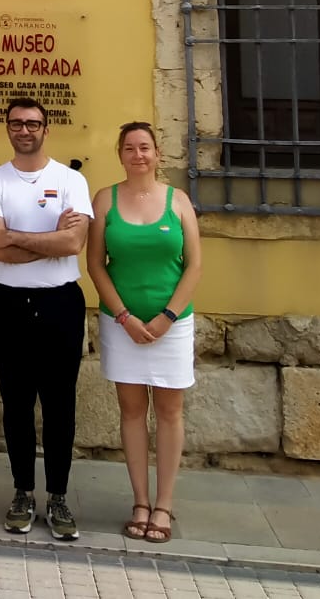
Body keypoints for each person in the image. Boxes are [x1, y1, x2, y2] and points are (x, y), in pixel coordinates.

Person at [0, 97, 94, 540]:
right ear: (7, 128)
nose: (24, 130)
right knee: (17, 403)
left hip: (61, 302)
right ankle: (23, 491)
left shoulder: (70, 180)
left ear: (47, 128)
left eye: (33, 123)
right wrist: (51, 236)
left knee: (61, 405)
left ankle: (59, 497)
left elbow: (73, 245)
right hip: (7, 302)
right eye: (16, 123)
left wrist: (17, 238)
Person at [88, 120, 201, 546]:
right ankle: (139, 501)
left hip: (171, 325)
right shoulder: (105, 200)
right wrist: (124, 317)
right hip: (122, 324)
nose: (138, 155)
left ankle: (164, 505)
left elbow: (194, 265)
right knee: (132, 412)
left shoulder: (178, 202)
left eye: (145, 147)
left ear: (157, 154)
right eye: (130, 148)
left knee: (170, 411)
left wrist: (166, 317)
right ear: (120, 154)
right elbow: (96, 263)